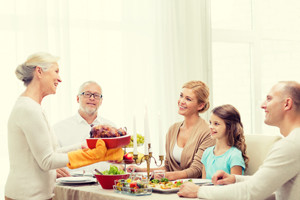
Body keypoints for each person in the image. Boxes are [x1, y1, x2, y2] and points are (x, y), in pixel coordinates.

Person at [4, 52, 123, 200]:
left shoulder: (32, 107)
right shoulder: (29, 109)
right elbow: (47, 161)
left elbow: (51, 152)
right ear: (39, 72)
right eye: (56, 71)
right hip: (27, 196)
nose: (59, 79)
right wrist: (92, 156)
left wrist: (84, 145)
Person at [178, 81, 300, 200]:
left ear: (286, 104)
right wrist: (235, 179)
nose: (263, 105)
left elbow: (252, 191)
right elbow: (264, 182)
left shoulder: (290, 145)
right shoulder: (294, 142)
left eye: (269, 99)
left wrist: (199, 191)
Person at [127, 80, 215, 180]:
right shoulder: (173, 129)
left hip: (192, 189)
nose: (181, 101)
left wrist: (164, 176)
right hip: (170, 187)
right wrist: (141, 170)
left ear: (200, 105)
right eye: (181, 96)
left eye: (188, 99)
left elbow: (196, 170)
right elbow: (168, 167)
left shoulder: (208, 132)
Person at [54, 81, 115, 177]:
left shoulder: (111, 128)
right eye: (87, 94)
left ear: (101, 101)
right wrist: (53, 170)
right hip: (71, 185)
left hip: (103, 186)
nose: (92, 98)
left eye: (96, 95)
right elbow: (49, 159)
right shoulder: (59, 128)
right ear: (78, 98)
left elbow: (119, 160)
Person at [201, 104, 248, 179]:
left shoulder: (234, 155)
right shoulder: (207, 153)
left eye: (216, 124)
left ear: (229, 127)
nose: (210, 127)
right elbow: (203, 183)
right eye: (210, 123)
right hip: (208, 190)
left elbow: (236, 187)